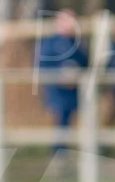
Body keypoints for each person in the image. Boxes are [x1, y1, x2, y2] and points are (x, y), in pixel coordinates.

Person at [36, 9, 89, 155]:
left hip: (73, 91)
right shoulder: (50, 42)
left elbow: (84, 63)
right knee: (60, 119)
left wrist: (76, 72)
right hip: (57, 90)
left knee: (70, 121)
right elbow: (42, 64)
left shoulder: (76, 43)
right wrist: (60, 74)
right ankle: (58, 152)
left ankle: (68, 152)